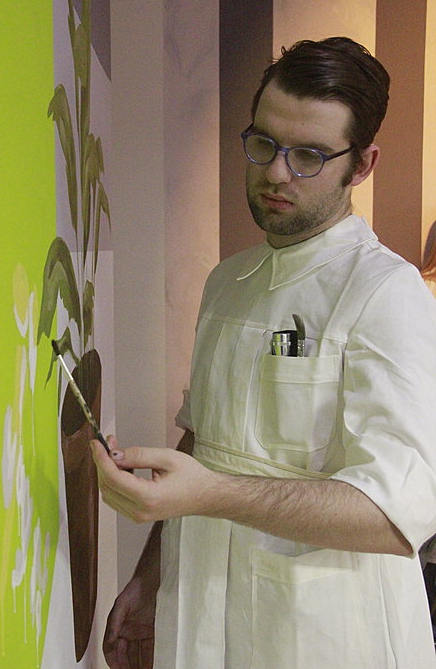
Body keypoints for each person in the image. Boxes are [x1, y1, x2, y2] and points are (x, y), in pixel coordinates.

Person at [91, 37, 436, 669]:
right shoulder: (229, 280)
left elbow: (395, 513)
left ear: (361, 165)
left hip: (325, 631)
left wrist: (209, 494)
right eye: (263, 144)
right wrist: (150, 577)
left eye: (308, 155)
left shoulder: (386, 292)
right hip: (199, 604)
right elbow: (203, 437)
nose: (276, 172)